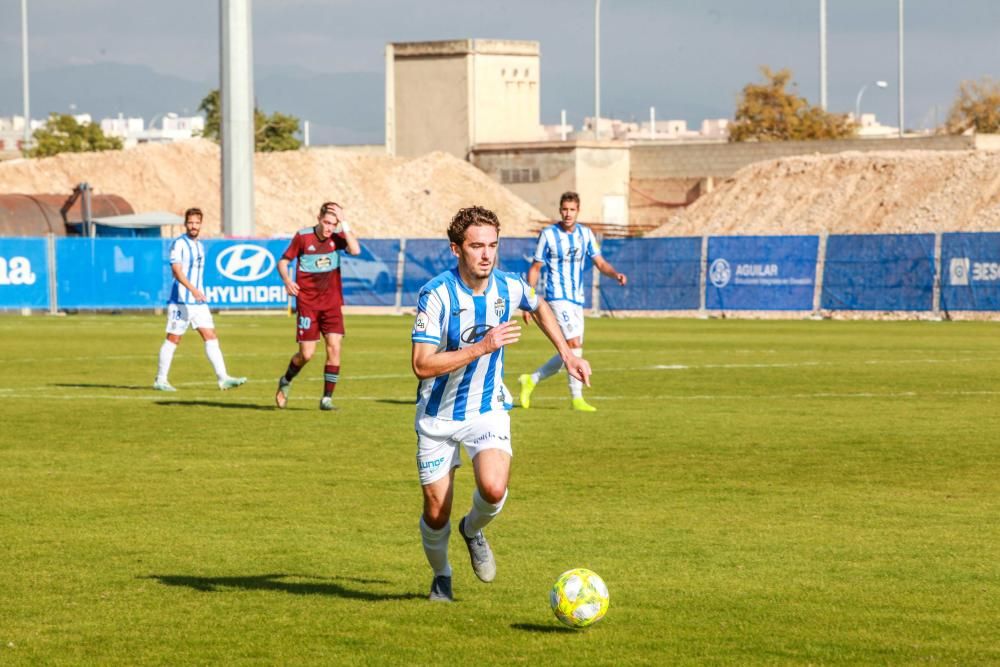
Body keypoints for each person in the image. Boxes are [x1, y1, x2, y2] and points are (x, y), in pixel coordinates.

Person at [411, 205, 592, 602]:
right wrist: (482, 346)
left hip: (487, 408)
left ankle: (473, 530)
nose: (487, 254)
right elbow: (421, 365)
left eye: (493, 245)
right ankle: (442, 575)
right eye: (477, 246)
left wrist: (567, 353)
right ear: (456, 249)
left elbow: (538, 304)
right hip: (438, 417)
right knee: (436, 512)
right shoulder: (436, 294)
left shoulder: (508, 287)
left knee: (493, 488)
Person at [518, 191, 627, 412]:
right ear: (560, 210)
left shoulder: (586, 234)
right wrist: (528, 299)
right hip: (557, 297)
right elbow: (535, 267)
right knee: (574, 344)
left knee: (570, 349)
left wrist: (615, 274)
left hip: (577, 299)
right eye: (564, 209)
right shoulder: (548, 234)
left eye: (572, 210)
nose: (568, 214)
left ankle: (531, 379)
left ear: (578, 211)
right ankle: (576, 398)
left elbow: (600, 262)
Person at [275, 201, 361, 411]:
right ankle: (285, 380)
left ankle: (326, 399)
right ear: (318, 218)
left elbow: (355, 250)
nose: (329, 227)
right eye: (326, 222)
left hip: (332, 304)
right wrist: (287, 280)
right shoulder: (303, 237)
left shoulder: (336, 238)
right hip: (308, 304)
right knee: (306, 354)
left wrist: (345, 222)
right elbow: (283, 262)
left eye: (333, 223)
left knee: (334, 348)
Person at [153, 207, 246, 392]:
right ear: (185, 224)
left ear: (201, 224)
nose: (193, 226)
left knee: (210, 336)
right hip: (181, 299)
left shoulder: (199, 245)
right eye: (190, 223)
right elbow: (176, 271)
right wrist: (193, 289)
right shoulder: (179, 244)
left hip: (198, 301)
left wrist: (198, 292)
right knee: (173, 338)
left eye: (197, 223)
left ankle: (223, 378)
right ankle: (160, 380)